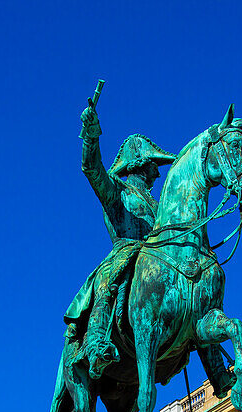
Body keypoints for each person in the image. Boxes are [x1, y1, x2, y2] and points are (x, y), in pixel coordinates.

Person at [64, 104, 176, 379]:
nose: (157, 172)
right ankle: (97, 343)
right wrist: (91, 136)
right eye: (153, 165)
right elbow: (91, 169)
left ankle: (215, 367)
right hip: (126, 251)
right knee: (108, 281)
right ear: (139, 163)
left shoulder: (158, 204)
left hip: (156, 255)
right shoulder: (117, 191)